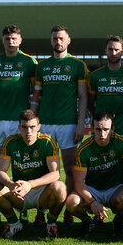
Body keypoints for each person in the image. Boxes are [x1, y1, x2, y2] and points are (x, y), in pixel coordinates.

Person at [66, 112, 123, 238]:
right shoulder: (84, 149)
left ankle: (118, 220)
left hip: (116, 188)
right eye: (98, 130)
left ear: (112, 129)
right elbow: (79, 182)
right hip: (92, 189)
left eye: (106, 129)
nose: (102, 134)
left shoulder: (120, 143)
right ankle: (87, 222)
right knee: (72, 202)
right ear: (92, 129)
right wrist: (92, 202)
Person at [0, 110, 66, 239]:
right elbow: (0, 171)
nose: (28, 131)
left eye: (32, 127)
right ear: (19, 127)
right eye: (24, 127)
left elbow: (55, 174)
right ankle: (14, 223)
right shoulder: (11, 141)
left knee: (60, 187)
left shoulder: (47, 141)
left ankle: (51, 224)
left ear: (38, 127)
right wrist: (10, 184)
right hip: (19, 192)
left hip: (41, 191)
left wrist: (30, 184)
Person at [31, 25, 89, 200]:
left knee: (70, 168)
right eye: (55, 38)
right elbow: (36, 96)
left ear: (68, 40)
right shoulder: (42, 66)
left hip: (68, 123)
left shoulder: (78, 65)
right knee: (43, 169)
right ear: (51, 41)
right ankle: (43, 209)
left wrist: (81, 125)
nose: (58, 41)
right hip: (45, 123)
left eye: (61, 38)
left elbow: (83, 96)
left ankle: (69, 211)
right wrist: (32, 121)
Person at [0, 25, 37, 154]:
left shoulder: (29, 62)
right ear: (2, 40)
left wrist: (31, 113)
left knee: (21, 160)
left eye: (14, 38)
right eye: (7, 39)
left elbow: (36, 90)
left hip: (19, 119)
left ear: (20, 40)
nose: (11, 42)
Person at [88, 36, 123, 149]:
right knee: (99, 164)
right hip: (101, 130)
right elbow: (90, 103)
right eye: (110, 49)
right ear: (105, 51)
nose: (113, 53)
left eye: (116, 50)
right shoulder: (95, 76)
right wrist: (98, 118)